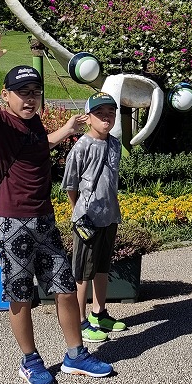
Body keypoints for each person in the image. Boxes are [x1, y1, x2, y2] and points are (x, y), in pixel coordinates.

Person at [0, 29, 113, 384]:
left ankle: (76, 354)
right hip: (12, 222)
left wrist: (64, 129)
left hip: (44, 219)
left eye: (35, 92)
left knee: (64, 285)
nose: (30, 99)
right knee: (20, 294)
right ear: (6, 96)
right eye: (22, 93)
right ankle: (30, 361)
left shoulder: (31, 125)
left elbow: (38, 144)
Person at [62, 91, 127, 344]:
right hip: (87, 218)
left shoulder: (115, 144)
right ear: (87, 117)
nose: (106, 118)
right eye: (99, 113)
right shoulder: (82, 146)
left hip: (109, 214)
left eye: (110, 113)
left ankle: (99, 312)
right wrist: (78, 211)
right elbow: (71, 184)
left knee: (102, 267)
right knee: (82, 272)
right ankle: (80, 322)